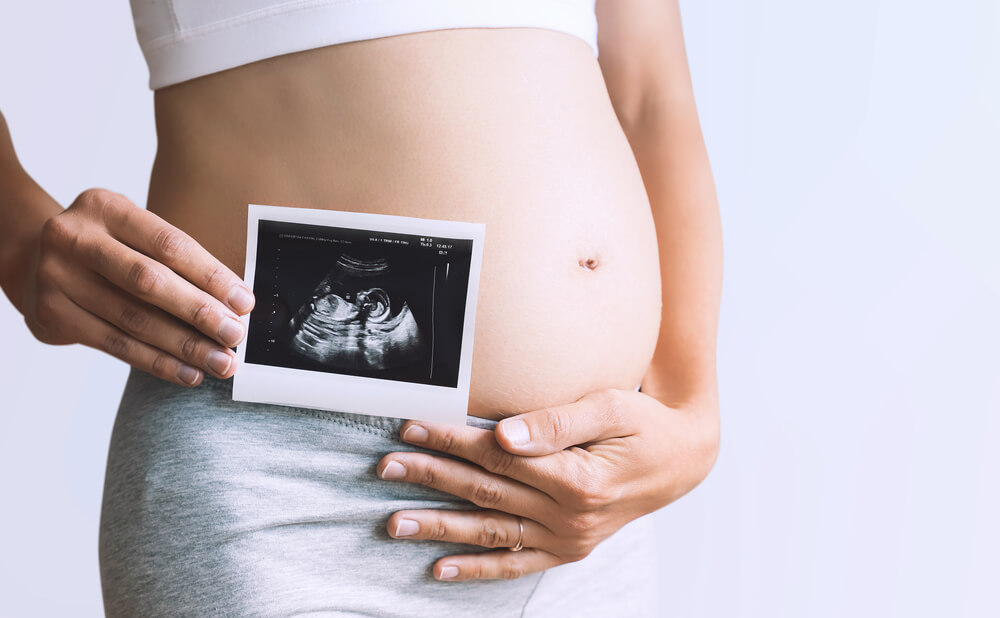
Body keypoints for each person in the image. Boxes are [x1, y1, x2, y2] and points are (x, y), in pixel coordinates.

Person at [0, 0, 722, 615]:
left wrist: (692, 413)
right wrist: (16, 236)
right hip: (277, 481)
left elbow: (650, 96)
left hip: (584, 499)